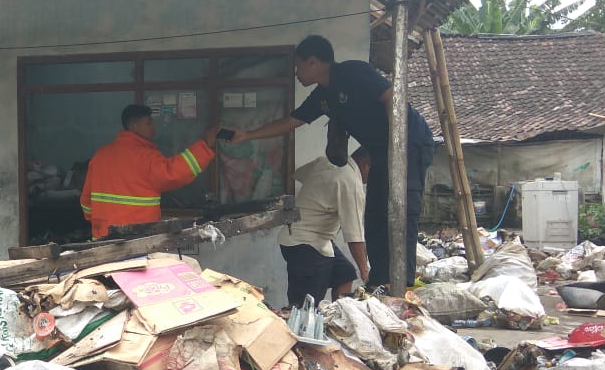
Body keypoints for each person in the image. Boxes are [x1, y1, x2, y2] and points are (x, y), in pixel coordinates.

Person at [230, 35, 434, 291]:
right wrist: (247, 135)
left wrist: (397, 145)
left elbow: (391, 96)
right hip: (380, 153)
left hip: (409, 143)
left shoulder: (353, 72)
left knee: (401, 213)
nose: (296, 73)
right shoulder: (322, 97)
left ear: (313, 62)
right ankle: (383, 281)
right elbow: (291, 121)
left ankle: (401, 283)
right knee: (375, 216)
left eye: (298, 65)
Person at [81, 105, 218, 239]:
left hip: (102, 239)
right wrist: (205, 146)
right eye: (148, 123)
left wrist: (101, 221)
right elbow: (173, 173)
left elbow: (86, 201)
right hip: (135, 239)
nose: (154, 128)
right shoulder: (145, 156)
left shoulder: (100, 155)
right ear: (133, 126)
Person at [280, 122, 371, 306]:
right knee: (306, 306)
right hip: (305, 243)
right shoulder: (351, 182)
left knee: (344, 273)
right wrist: (366, 271)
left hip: (313, 240)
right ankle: (300, 330)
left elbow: (299, 174)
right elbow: (354, 235)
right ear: (366, 165)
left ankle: (339, 316)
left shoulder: (325, 161)